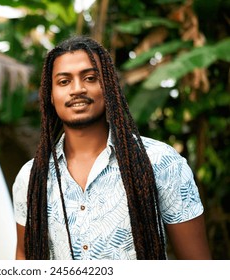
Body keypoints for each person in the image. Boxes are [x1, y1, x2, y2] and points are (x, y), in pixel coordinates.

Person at [12, 35, 211, 260]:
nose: (77, 89)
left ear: (108, 86)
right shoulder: (31, 178)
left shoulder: (161, 163)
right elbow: (24, 257)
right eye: (64, 81)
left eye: (89, 78)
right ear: (50, 95)